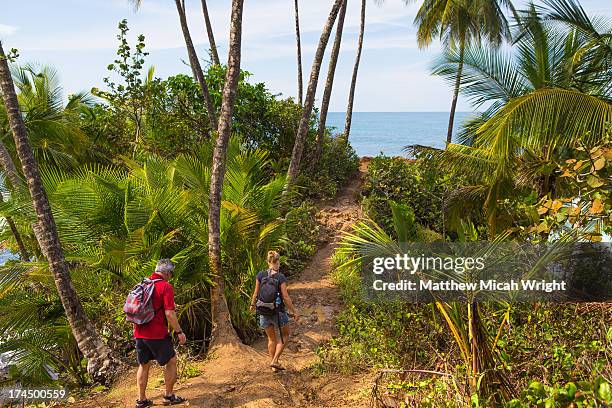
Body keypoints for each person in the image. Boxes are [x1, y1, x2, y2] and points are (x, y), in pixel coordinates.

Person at [134, 259, 187, 407]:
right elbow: (170, 313)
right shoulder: (165, 286)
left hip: (139, 332)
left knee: (144, 365)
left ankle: (142, 400)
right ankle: (169, 396)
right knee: (171, 360)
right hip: (156, 334)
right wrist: (179, 332)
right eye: (171, 273)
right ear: (168, 273)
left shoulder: (143, 284)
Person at [250, 251, 299, 372]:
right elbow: (286, 297)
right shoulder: (280, 277)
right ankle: (274, 361)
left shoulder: (260, 275)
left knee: (271, 339)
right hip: (278, 313)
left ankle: (274, 367)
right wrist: (294, 311)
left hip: (263, 311)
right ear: (277, 263)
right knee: (286, 335)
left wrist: (252, 305)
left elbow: (256, 293)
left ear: (268, 262)